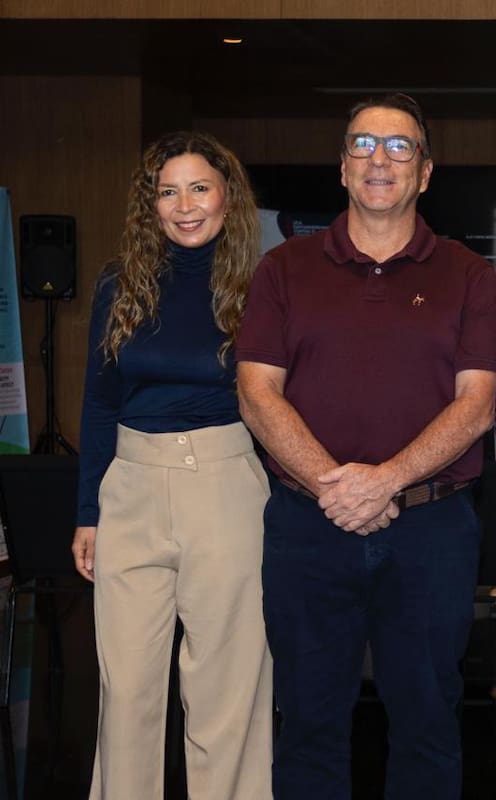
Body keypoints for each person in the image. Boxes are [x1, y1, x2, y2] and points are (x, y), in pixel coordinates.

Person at [236, 93, 496, 800]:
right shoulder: (282, 269)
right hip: (306, 527)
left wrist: (382, 481)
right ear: (342, 168)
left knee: (427, 725)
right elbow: (257, 393)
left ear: (425, 172)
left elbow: (477, 405)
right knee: (309, 724)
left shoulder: (469, 275)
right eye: (362, 145)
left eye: (398, 147)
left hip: (432, 530)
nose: (378, 160)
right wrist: (336, 484)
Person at [70, 131, 271, 800]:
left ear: (227, 197)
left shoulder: (263, 284)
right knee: (125, 690)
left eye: (199, 187)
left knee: (225, 687)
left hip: (226, 484)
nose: (184, 205)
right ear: (149, 204)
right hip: (129, 487)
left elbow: (281, 400)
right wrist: (88, 515)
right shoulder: (118, 283)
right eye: (167, 191)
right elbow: (99, 403)